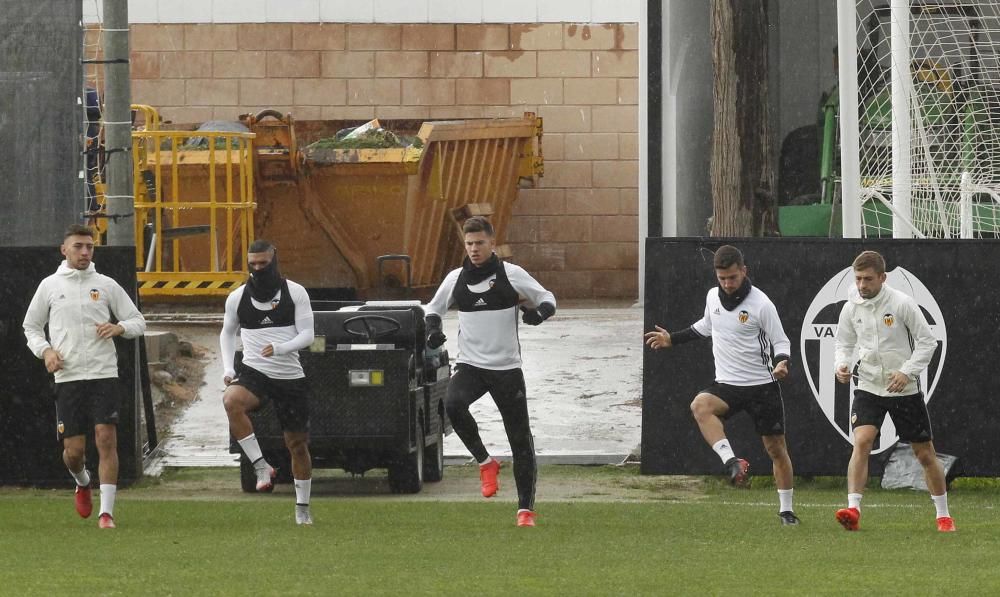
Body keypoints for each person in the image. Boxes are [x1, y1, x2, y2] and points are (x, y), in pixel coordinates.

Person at [644, 245, 800, 526]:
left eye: (732, 277)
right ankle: (732, 463)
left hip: (762, 386)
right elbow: (707, 325)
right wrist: (673, 339)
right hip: (727, 385)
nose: (727, 284)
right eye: (722, 278)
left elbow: (781, 340)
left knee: (776, 450)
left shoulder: (761, 304)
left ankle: (786, 511)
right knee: (700, 406)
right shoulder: (712, 296)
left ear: (744, 271)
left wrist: (782, 362)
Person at [424, 216, 556, 528]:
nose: (474, 249)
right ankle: (486, 462)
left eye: (480, 243)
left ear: (492, 244)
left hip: (506, 370)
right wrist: (432, 331)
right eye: (469, 244)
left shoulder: (511, 274)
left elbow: (548, 297)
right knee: (452, 404)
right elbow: (432, 308)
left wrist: (539, 314)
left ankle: (525, 510)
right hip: (471, 366)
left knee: (520, 439)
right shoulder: (456, 277)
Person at [23, 224, 146, 529]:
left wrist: (119, 328)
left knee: (106, 437)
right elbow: (31, 327)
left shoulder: (105, 284)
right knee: (74, 452)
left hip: (104, 374)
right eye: (78, 246)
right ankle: (82, 480)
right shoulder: (50, 285)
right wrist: (46, 352)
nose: (85, 252)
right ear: (64, 250)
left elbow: (138, 321)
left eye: (89, 246)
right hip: (69, 377)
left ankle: (107, 513)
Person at [833, 250, 954, 532]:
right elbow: (844, 342)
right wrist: (841, 364)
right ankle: (853, 509)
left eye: (868, 279)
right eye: (858, 279)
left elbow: (928, 342)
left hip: (904, 389)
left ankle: (943, 515)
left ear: (882, 278)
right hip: (868, 385)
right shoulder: (851, 305)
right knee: (862, 441)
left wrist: (906, 372)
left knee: (924, 454)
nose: (862, 285)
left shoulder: (902, 303)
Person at [220, 240, 316, 525]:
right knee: (231, 401)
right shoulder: (237, 297)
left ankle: (302, 507)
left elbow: (308, 335)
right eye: (254, 264)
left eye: (264, 263)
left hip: (289, 376)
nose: (259, 269)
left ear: (274, 260)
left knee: (296, 444)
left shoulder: (295, 292)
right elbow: (226, 333)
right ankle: (262, 467)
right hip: (254, 371)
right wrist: (227, 368)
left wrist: (281, 347)